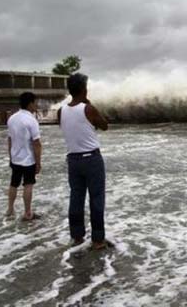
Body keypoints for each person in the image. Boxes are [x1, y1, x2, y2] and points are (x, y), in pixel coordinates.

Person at [58, 73, 109, 250]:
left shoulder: (61, 111)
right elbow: (104, 125)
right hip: (91, 159)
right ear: (83, 89)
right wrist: (89, 105)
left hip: (73, 160)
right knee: (96, 198)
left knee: (76, 197)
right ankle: (98, 240)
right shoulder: (89, 109)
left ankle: (77, 236)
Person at [6, 92, 42, 220]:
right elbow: (36, 143)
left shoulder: (12, 118)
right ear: (30, 103)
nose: (36, 105)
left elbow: (10, 140)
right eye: (35, 102)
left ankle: (10, 209)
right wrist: (38, 163)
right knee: (28, 185)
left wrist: (11, 156)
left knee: (13, 184)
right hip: (28, 160)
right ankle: (27, 213)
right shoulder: (31, 120)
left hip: (15, 158)